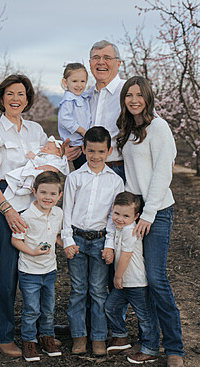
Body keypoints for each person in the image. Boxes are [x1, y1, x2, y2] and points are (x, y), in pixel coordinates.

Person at [116, 76, 184, 366]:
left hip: (156, 211)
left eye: (138, 95)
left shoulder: (159, 127)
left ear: (147, 97)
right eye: (128, 95)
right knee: (138, 282)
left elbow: (162, 173)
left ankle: (175, 349)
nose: (133, 100)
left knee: (156, 279)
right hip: (134, 212)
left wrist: (149, 213)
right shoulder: (129, 130)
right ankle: (149, 345)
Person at [0, 74, 48, 357]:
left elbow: (48, 164)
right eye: (10, 94)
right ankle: (2, 334)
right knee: (6, 271)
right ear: (1, 98)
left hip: (34, 204)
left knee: (40, 267)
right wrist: (6, 210)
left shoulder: (36, 130)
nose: (16, 99)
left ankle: (41, 331)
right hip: (5, 201)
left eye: (21, 94)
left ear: (28, 99)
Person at [62, 126, 124, 356]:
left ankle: (98, 336)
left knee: (98, 290)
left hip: (99, 242)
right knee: (78, 289)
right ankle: (79, 335)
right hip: (77, 239)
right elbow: (66, 210)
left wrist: (109, 245)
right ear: (84, 150)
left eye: (100, 151)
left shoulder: (115, 182)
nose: (95, 156)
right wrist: (67, 239)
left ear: (108, 151)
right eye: (90, 151)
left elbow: (113, 217)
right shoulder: (74, 177)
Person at [11, 171, 64, 362]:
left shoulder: (58, 213)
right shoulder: (26, 216)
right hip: (29, 271)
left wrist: (66, 244)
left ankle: (47, 338)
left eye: (52, 194)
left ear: (59, 195)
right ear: (34, 191)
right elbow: (16, 240)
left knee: (48, 308)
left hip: (49, 270)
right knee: (32, 308)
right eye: (43, 193)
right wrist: (32, 252)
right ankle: (29, 342)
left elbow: (56, 235)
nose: (47, 198)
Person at [104, 192, 156, 364]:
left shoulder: (130, 230)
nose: (120, 218)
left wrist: (117, 277)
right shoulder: (119, 228)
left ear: (136, 216)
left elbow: (126, 256)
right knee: (111, 307)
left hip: (136, 282)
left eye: (126, 216)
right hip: (124, 283)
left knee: (144, 317)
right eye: (117, 213)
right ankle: (121, 336)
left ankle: (150, 349)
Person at [66, 40, 125, 181]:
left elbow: (152, 127)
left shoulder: (129, 92)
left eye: (107, 58)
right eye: (95, 58)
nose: (100, 62)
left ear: (118, 63)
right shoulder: (85, 97)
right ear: (90, 63)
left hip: (118, 170)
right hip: (85, 169)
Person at [4, 136, 69, 212]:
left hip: (42, 173)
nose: (44, 149)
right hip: (37, 170)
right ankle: (22, 182)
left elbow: (45, 162)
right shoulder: (45, 154)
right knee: (28, 173)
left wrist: (35, 157)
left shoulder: (54, 158)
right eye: (45, 147)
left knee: (32, 175)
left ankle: (27, 187)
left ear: (57, 154)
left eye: (48, 149)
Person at [58, 62, 90, 169]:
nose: (79, 85)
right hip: (76, 145)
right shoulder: (68, 100)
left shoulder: (81, 97)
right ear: (65, 82)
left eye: (82, 81)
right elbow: (64, 119)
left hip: (83, 143)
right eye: (75, 81)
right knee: (83, 171)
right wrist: (82, 130)